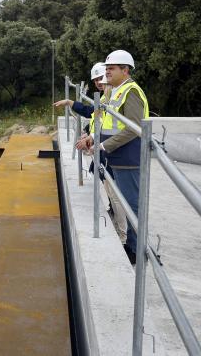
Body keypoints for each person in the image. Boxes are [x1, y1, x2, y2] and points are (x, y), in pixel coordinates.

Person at [80, 49, 149, 264]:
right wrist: (94, 137)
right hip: (118, 156)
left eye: (111, 68)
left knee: (132, 205)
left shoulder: (131, 92)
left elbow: (134, 128)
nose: (107, 72)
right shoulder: (116, 91)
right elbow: (106, 120)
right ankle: (132, 246)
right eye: (107, 68)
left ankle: (136, 250)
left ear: (125, 70)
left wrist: (102, 145)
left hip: (129, 157)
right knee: (126, 203)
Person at [54, 63, 127, 243]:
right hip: (103, 147)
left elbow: (108, 122)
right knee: (104, 180)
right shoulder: (105, 97)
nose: (99, 82)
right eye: (95, 80)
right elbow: (94, 115)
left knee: (116, 190)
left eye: (101, 78)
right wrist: (88, 132)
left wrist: (91, 137)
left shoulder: (112, 96)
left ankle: (125, 235)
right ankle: (116, 217)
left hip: (111, 149)